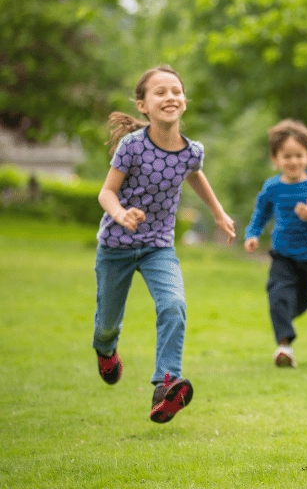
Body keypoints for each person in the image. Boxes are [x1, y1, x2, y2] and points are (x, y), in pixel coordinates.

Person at [93, 65, 236, 423]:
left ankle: (166, 382)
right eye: (160, 92)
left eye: (176, 90)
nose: (170, 97)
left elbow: (195, 175)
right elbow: (106, 192)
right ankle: (106, 349)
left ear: (184, 101)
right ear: (143, 105)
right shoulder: (132, 146)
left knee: (173, 304)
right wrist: (122, 213)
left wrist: (218, 213)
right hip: (116, 245)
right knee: (108, 324)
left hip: (159, 245)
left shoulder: (191, 151)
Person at [244, 119, 307, 368]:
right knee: (278, 294)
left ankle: (284, 320)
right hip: (283, 253)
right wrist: (252, 234)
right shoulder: (272, 187)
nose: (293, 161)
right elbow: (261, 213)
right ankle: (284, 347)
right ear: (275, 158)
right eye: (286, 156)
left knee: (301, 301)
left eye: (298, 155)